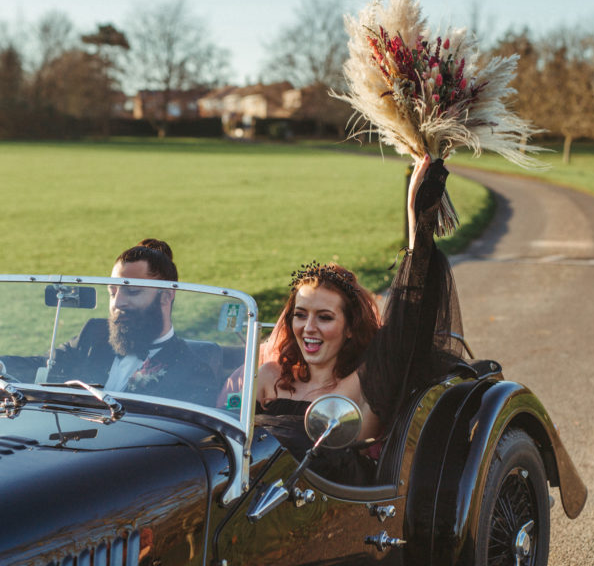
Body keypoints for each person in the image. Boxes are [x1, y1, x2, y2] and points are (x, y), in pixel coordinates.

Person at [254, 155, 465, 474]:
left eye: (325, 317)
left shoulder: (362, 383)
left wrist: (416, 223)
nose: (308, 328)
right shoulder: (270, 376)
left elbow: (410, 318)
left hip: (337, 511)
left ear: (350, 327)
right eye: (300, 314)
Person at [49, 239, 217, 404]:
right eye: (112, 293)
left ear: (165, 296)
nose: (117, 303)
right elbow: (44, 365)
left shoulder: (192, 371)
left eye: (133, 291)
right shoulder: (94, 333)